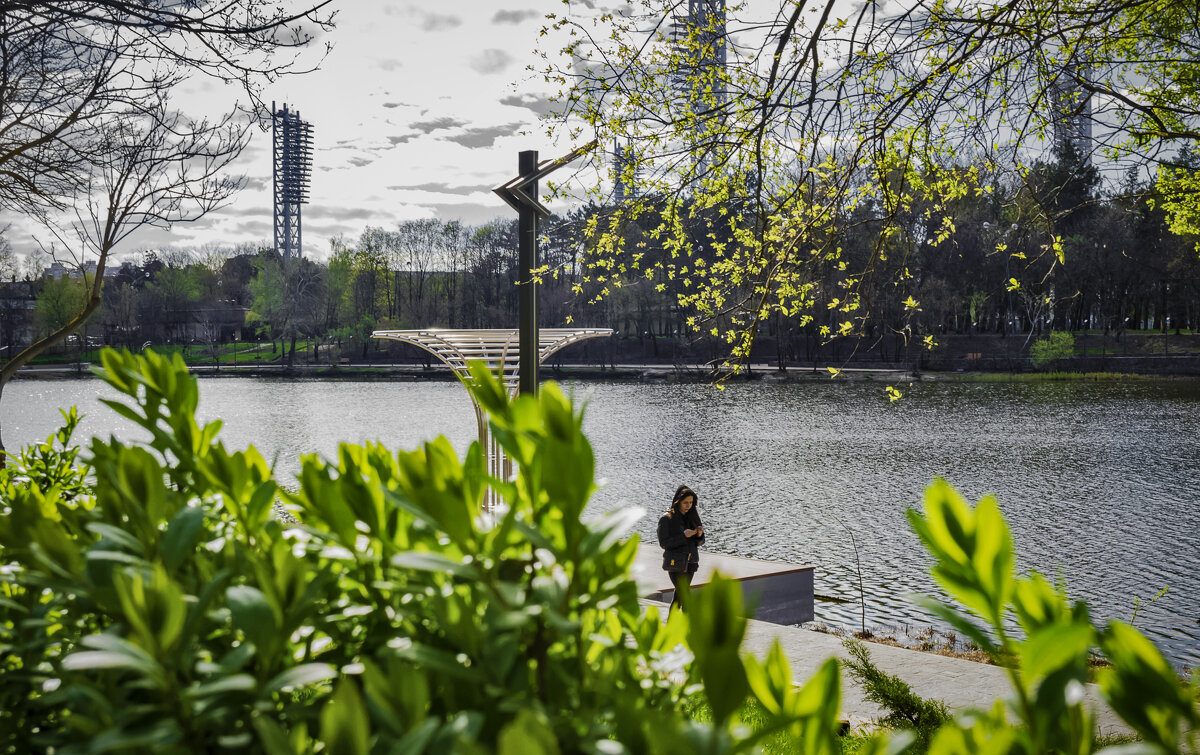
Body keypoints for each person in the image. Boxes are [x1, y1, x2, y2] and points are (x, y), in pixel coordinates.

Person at [657, 485, 705, 613]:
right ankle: (687, 629)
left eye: (691, 503)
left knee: (679, 597)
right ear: (677, 501)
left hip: (691, 563)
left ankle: (673, 629)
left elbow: (700, 542)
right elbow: (664, 543)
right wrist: (683, 536)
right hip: (675, 562)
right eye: (685, 502)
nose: (688, 505)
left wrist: (699, 535)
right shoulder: (666, 519)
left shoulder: (692, 517)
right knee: (685, 596)